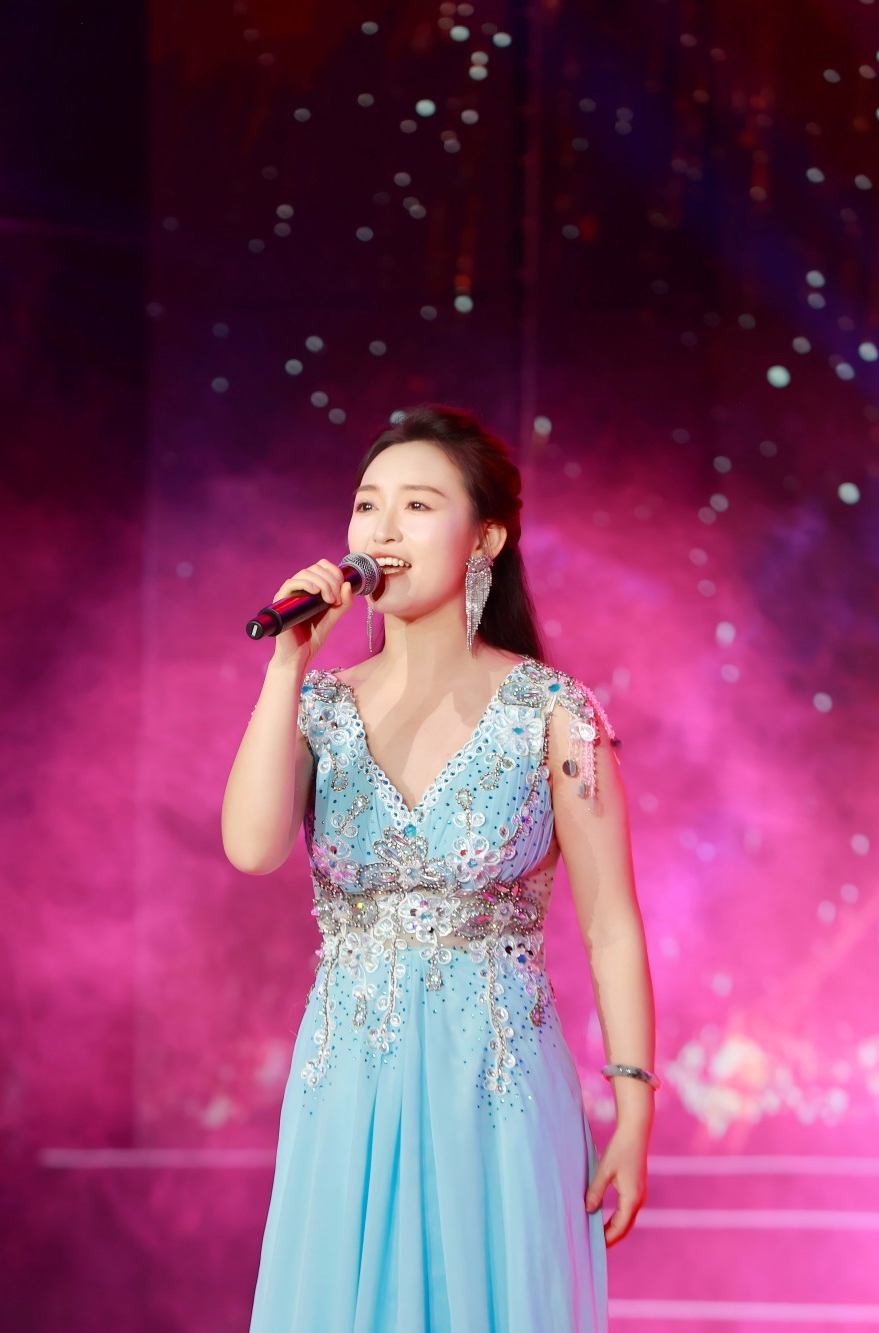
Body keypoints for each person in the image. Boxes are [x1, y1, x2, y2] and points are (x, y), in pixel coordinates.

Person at [222, 404, 656, 1331]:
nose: (382, 529)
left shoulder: (554, 712)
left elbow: (611, 923)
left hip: (497, 1094)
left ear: (485, 537)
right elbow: (252, 848)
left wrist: (634, 1110)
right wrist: (285, 670)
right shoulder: (319, 707)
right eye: (367, 504)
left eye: (417, 505)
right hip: (349, 1090)